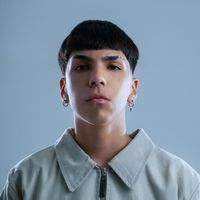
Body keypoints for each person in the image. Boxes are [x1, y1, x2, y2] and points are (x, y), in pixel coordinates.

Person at [1, 20, 200, 200]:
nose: (97, 77)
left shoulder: (180, 183)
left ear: (133, 89)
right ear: (64, 89)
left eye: (113, 66)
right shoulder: (26, 179)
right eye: (81, 67)